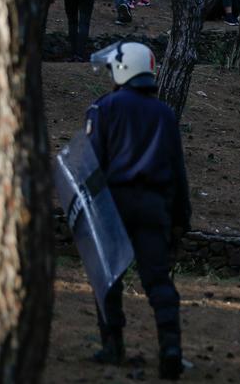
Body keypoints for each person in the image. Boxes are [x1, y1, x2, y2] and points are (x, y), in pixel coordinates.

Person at [87, 42, 190, 380]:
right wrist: (180, 221)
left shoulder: (104, 108)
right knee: (158, 280)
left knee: (109, 279)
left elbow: (92, 164)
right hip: (153, 206)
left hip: (113, 206)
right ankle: (170, 348)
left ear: (122, 68)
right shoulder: (164, 114)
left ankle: (113, 345)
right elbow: (178, 172)